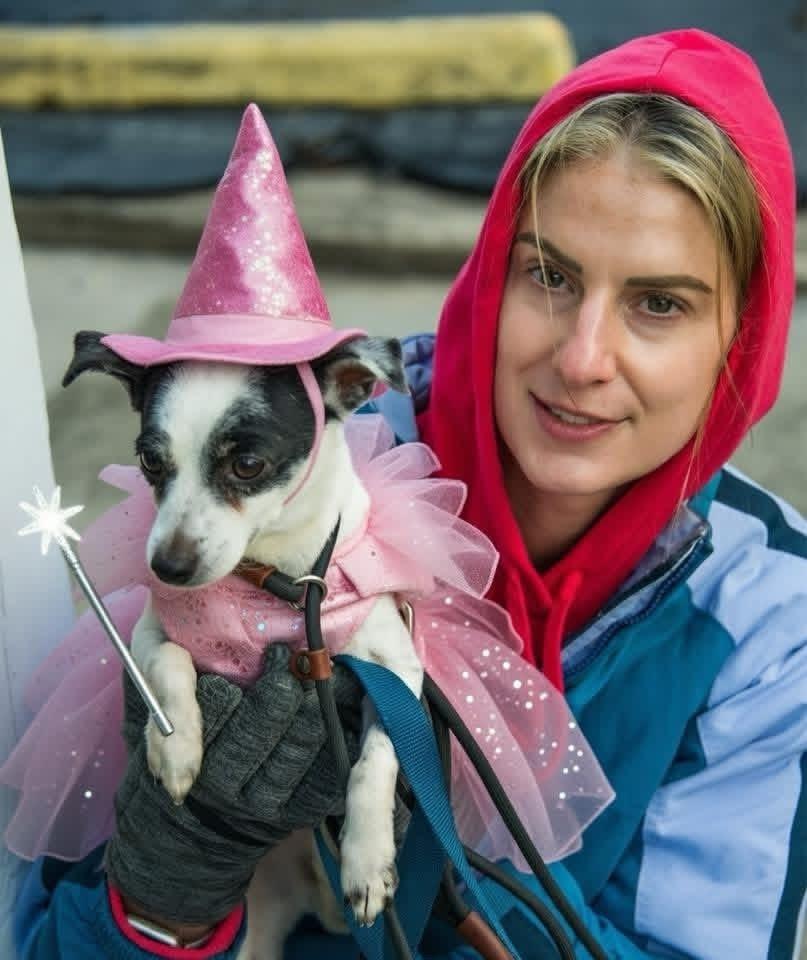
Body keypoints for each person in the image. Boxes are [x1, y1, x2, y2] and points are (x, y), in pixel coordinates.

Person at [4, 27, 804, 960]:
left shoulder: (767, 619)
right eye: (547, 275)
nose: (583, 358)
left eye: (658, 303)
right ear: (488, 270)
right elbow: (45, 934)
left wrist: (440, 885)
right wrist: (168, 896)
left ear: (744, 335)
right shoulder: (271, 473)